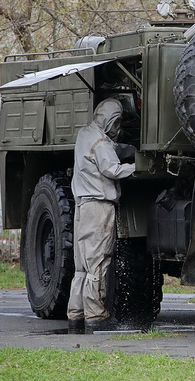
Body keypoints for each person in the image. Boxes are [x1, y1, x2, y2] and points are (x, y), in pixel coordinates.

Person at [67, 98, 135, 334]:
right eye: (117, 123)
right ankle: (96, 315)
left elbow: (109, 149)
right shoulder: (101, 142)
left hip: (83, 206)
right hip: (99, 207)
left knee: (82, 265)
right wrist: (138, 167)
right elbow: (112, 168)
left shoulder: (85, 134)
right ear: (112, 121)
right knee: (99, 260)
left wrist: (126, 150)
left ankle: (76, 314)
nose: (118, 129)